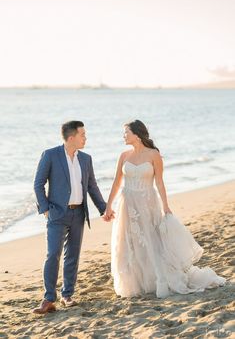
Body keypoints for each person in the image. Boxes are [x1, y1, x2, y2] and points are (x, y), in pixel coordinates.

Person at [104, 120, 225, 298]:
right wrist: (108, 206)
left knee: (152, 240)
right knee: (129, 242)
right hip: (127, 203)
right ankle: (136, 282)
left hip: (148, 202)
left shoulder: (154, 154)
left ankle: (158, 278)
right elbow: (116, 183)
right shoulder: (123, 156)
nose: (123, 136)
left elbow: (159, 182)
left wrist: (166, 205)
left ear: (136, 134)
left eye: (126, 132)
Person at [33, 120, 114, 314]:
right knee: (53, 254)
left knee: (73, 256)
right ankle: (48, 298)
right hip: (57, 214)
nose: (85, 138)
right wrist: (45, 208)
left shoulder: (86, 159)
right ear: (71, 137)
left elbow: (92, 186)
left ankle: (67, 295)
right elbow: (38, 184)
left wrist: (104, 209)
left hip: (78, 214)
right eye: (82, 135)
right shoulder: (50, 155)